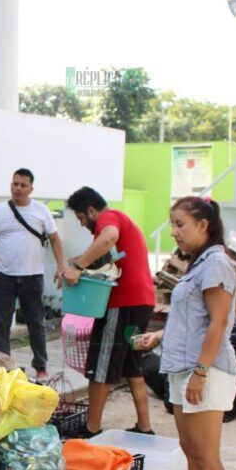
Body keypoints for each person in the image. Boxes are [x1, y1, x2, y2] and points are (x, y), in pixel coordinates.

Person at [135, 196, 236, 470]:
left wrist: (201, 372)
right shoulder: (199, 265)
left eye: (180, 224)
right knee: (193, 453)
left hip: (205, 371)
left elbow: (218, 322)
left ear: (203, 225)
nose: (174, 231)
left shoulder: (216, 265)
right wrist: (160, 337)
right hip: (184, 368)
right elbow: (192, 320)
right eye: (173, 224)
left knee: (207, 457)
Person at [63, 187, 155, 438]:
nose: (83, 225)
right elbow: (105, 255)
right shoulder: (121, 220)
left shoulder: (109, 218)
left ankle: (91, 428)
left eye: (81, 218)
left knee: (100, 367)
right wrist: (75, 262)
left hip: (123, 303)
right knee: (132, 367)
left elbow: (108, 238)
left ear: (91, 210)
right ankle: (145, 428)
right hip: (142, 302)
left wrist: (78, 266)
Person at [0, 169, 67, 382]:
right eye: (15, 184)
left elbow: (54, 239)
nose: (17, 188)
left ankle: (41, 366)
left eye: (22, 185)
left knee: (36, 323)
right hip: (3, 277)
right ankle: (3, 368)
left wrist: (61, 267)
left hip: (32, 277)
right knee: (1, 324)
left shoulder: (41, 211)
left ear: (31, 189)